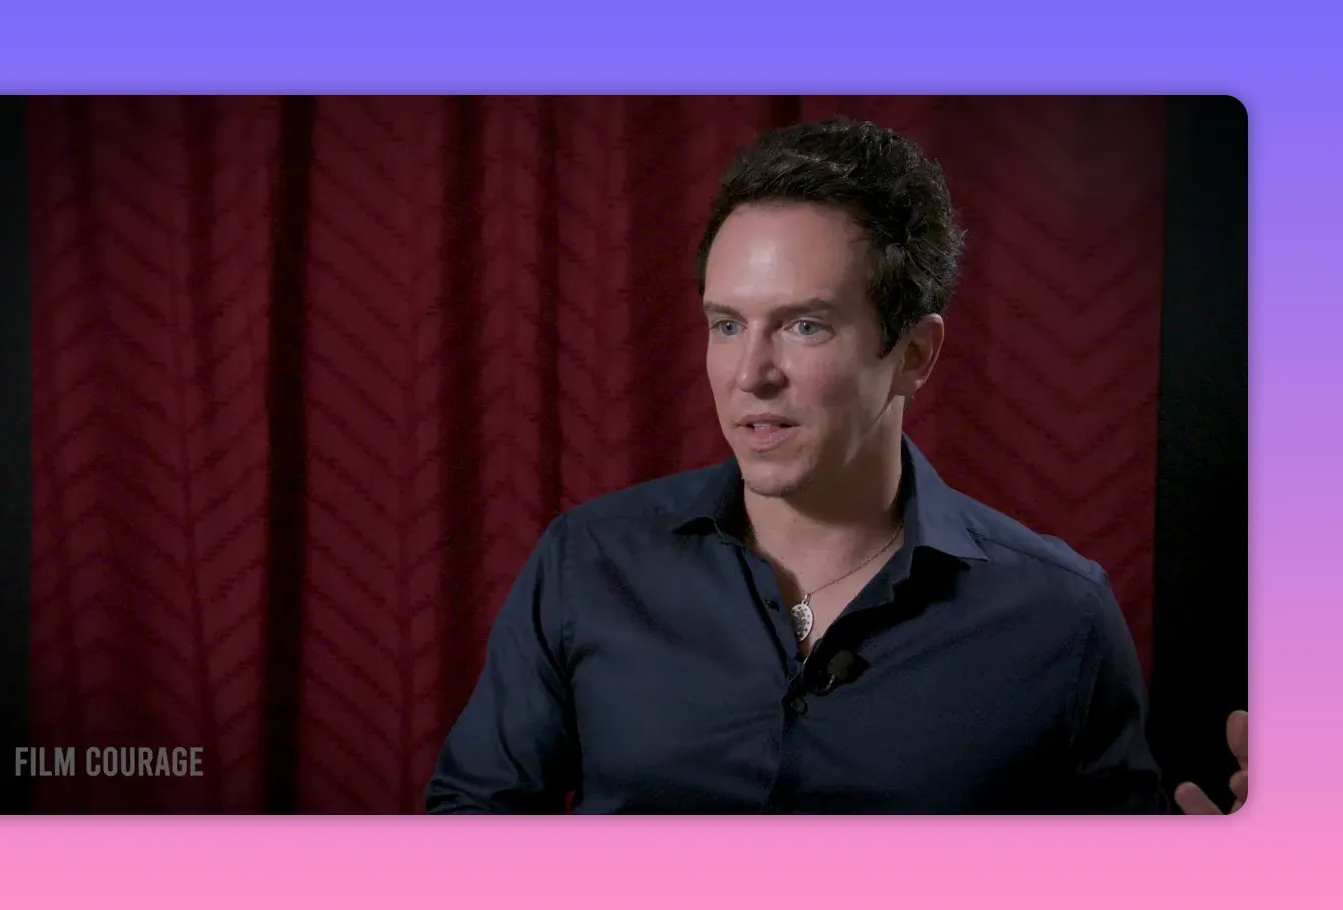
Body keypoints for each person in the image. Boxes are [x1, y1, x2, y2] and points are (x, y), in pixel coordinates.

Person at [424, 117, 1247, 814]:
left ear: (914, 355)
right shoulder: (587, 564)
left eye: (804, 326)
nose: (750, 375)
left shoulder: (1060, 618)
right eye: (725, 324)